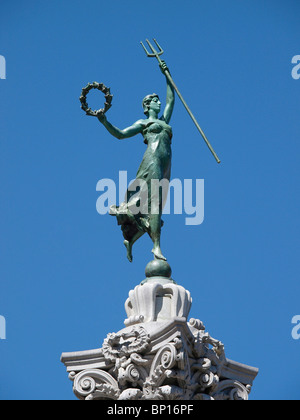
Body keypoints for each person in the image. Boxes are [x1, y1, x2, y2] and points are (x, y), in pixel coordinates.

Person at [95, 62, 175, 262]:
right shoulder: (143, 123)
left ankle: (131, 240)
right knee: (154, 205)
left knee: (155, 207)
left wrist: (167, 74)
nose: (158, 102)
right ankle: (156, 247)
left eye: (158, 100)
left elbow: (171, 100)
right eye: (154, 100)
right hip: (153, 161)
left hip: (166, 164)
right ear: (147, 106)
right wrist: (105, 122)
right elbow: (121, 135)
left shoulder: (164, 121)